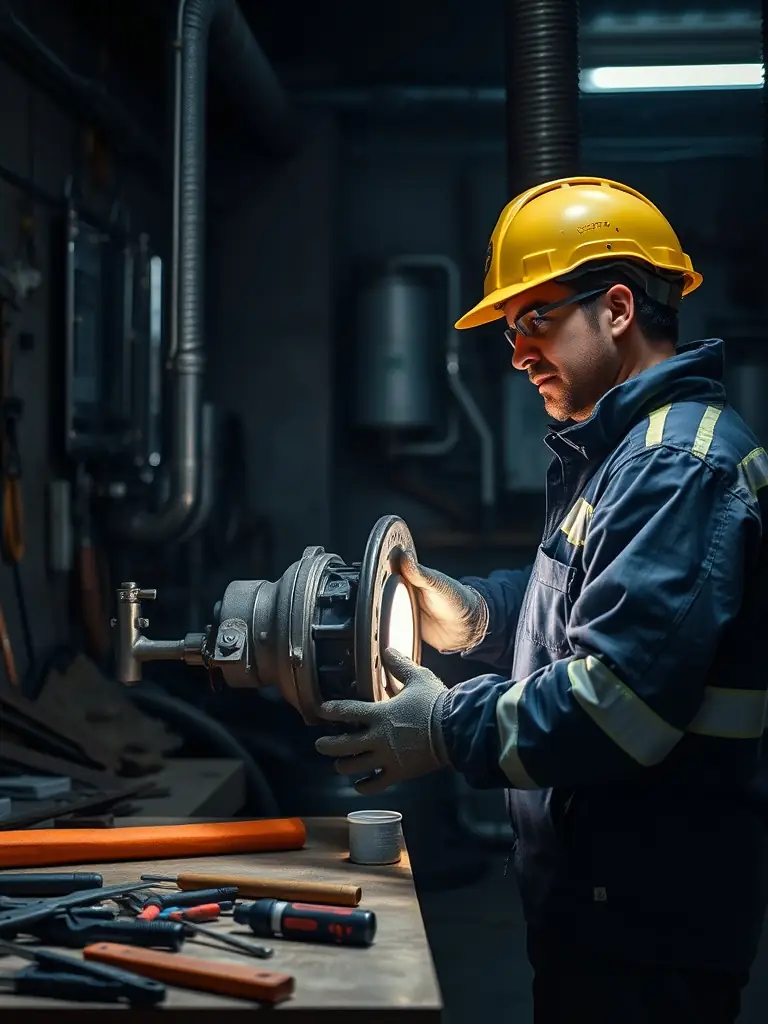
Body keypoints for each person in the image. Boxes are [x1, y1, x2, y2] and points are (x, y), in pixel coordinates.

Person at [314, 176, 768, 1023]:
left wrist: (443, 727)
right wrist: (479, 612)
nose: (517, 351)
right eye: (509, 328)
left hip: (650, 917)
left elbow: (617, 703)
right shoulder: (628, 453)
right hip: (606, 901)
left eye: (535, 319)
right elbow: (597, 603)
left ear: (620, 309)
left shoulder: (676, 467)